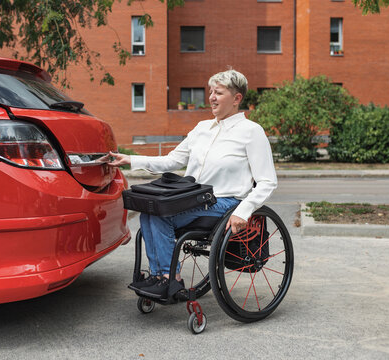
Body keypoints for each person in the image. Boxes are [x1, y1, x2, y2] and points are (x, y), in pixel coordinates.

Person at [108, 69, 277, 299]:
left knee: (161, 215)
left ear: (237, 98)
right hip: (193, 196)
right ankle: (160, 276)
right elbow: (172, 160)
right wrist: (131, 160)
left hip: (225, 202)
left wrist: (244, 212)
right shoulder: (201, 129)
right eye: (210, 92)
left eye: (218, 92)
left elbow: (267, 181)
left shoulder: (251, 132)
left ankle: (169, 278)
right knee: (148, 212)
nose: (212, 97)